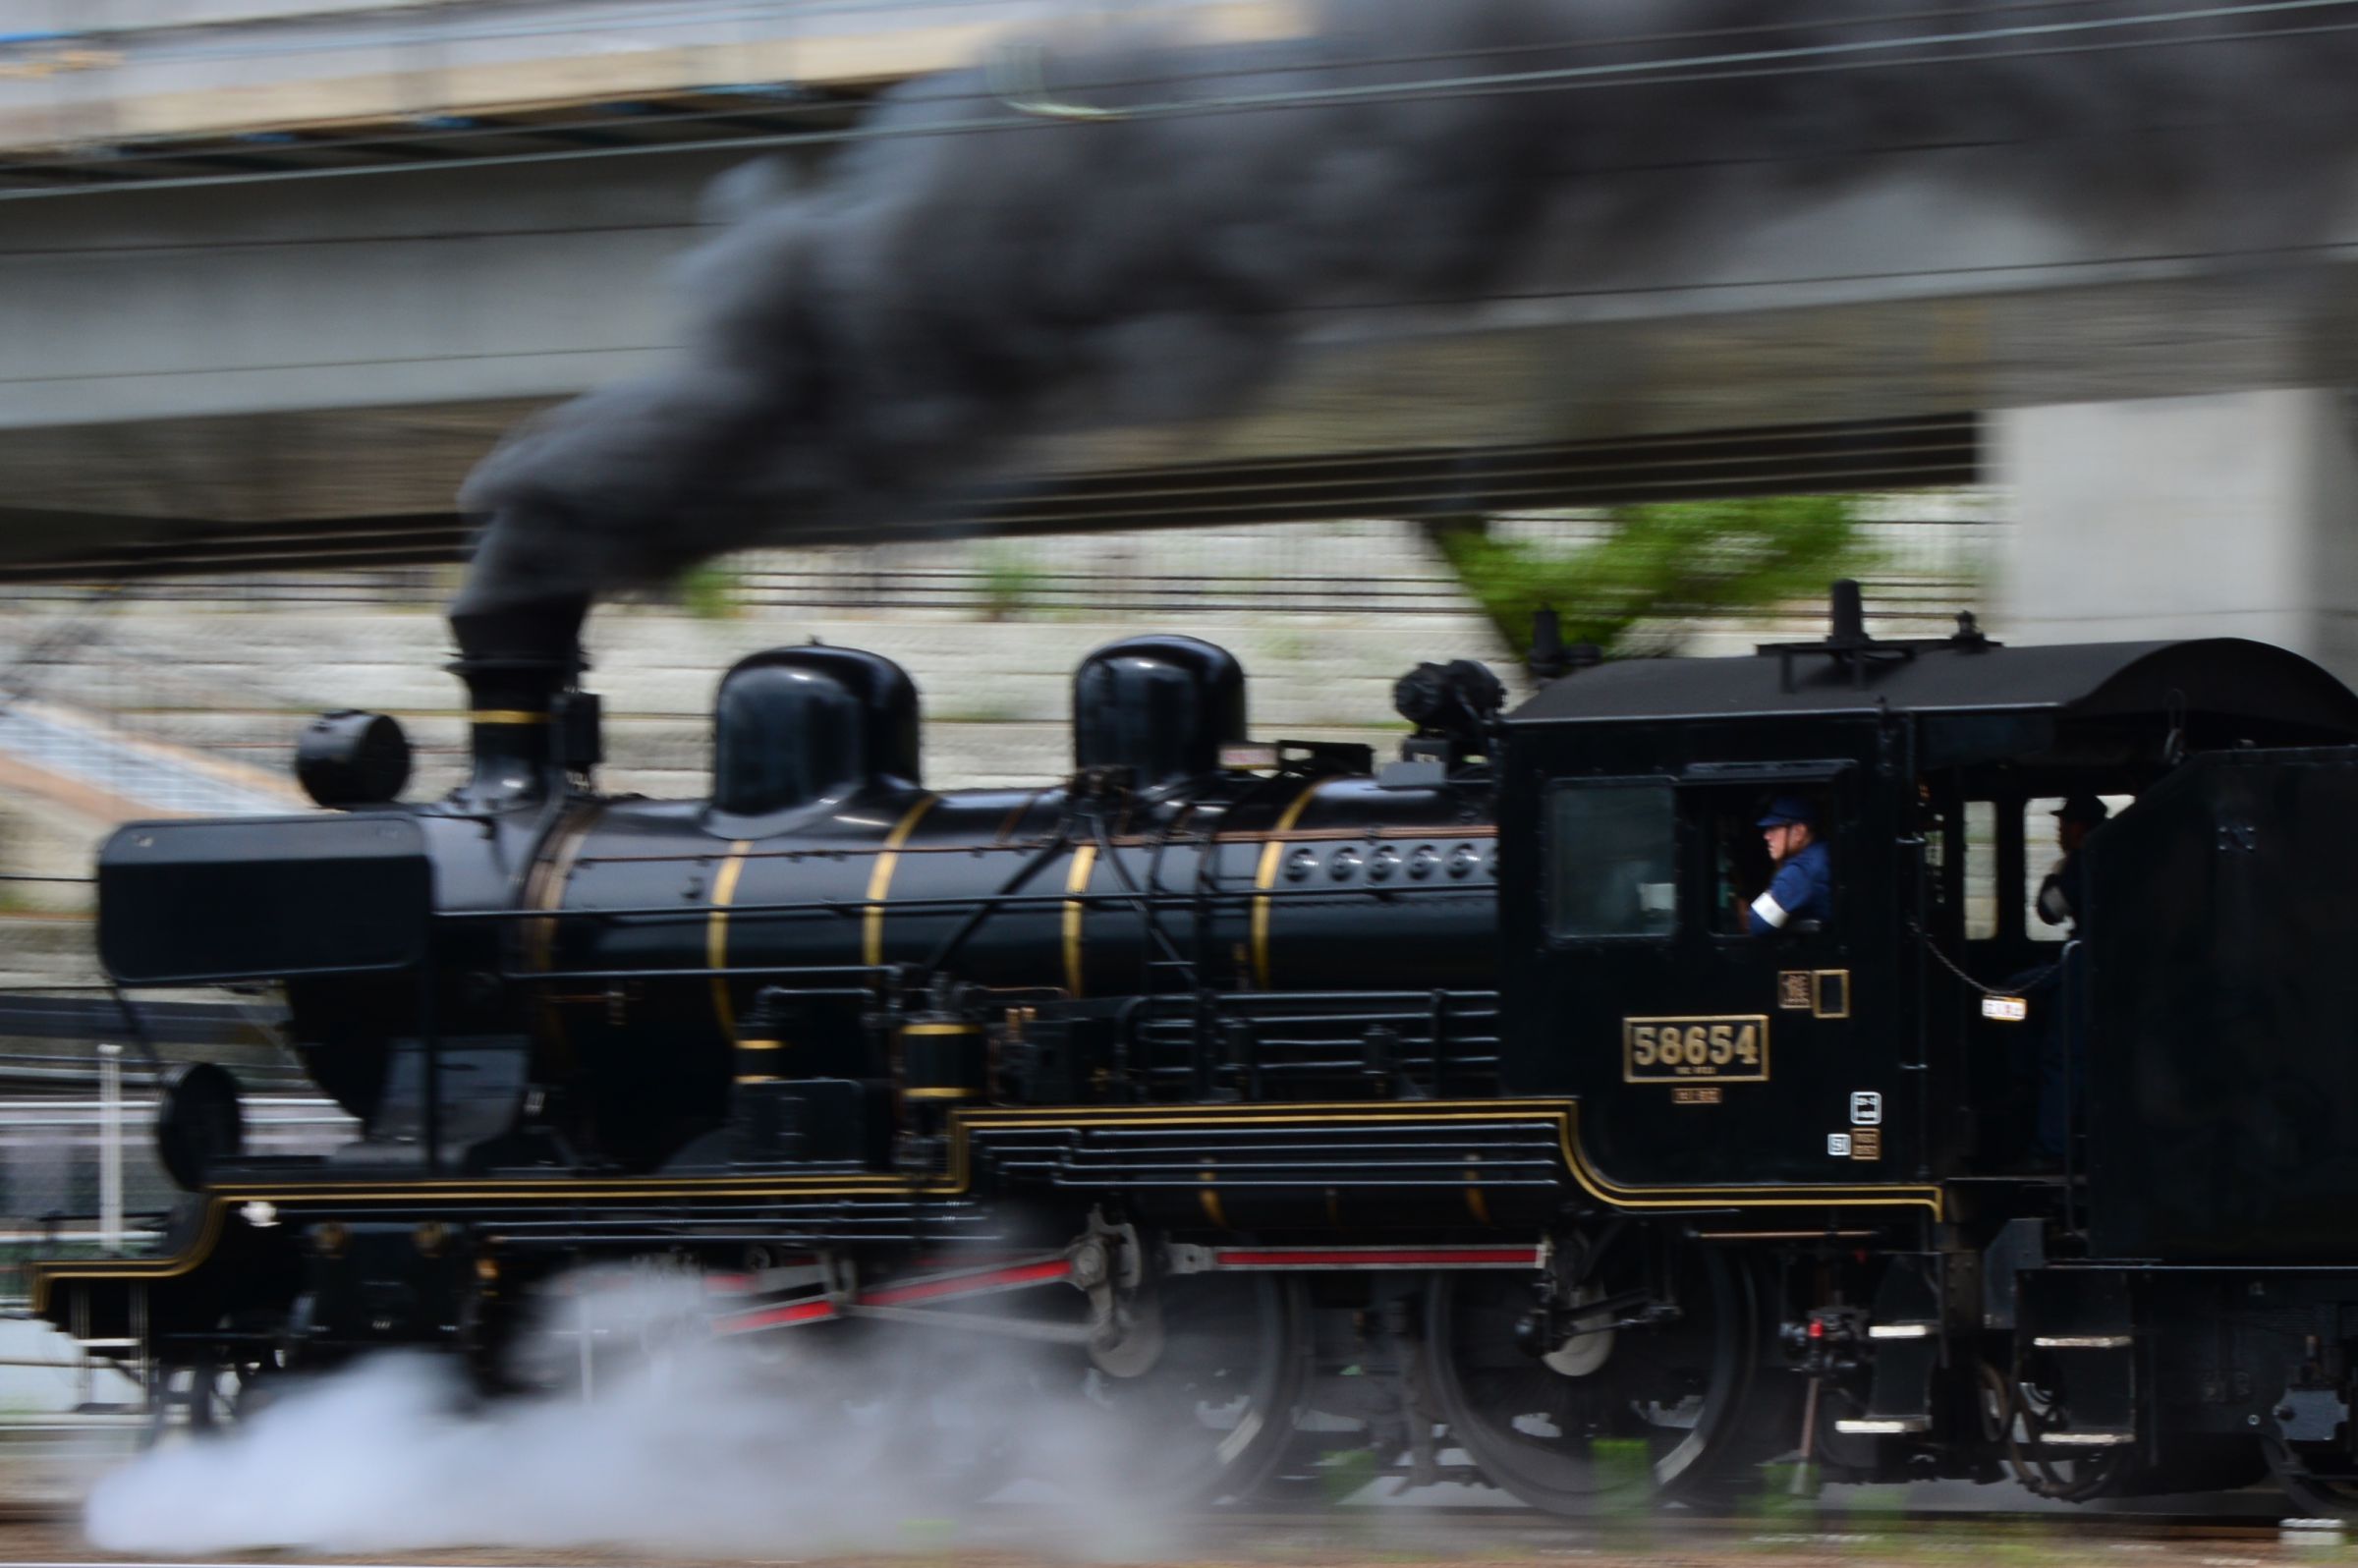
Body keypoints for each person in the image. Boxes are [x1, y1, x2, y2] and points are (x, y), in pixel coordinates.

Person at [1748, 797, 1832, 934]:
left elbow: (1757, 922)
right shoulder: (1822, 852)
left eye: (1773, 828)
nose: (1766, 836)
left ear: (1799, 832)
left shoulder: (1801, 871)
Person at [2035, 794, 2109, 930]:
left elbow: (2049, 911)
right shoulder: (2112, 854)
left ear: (2077, 828)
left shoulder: (2080, 864)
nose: (2059, 833)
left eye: (2062, 827)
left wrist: (2057, 874)